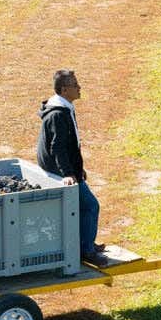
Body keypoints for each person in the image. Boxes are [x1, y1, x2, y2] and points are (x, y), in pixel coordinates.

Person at [36, 69, 108, 267]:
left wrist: (78, 168)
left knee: (80, 208)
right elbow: (58, 148)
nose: (79, 87)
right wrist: (67, 174)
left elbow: (72, 144)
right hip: (60, 173)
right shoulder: (59, 114)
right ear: (65, 89)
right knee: (90, 205)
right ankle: (86, 251)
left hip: (66, 170)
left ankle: (85, 243)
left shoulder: (64, 108)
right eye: (76, 85)